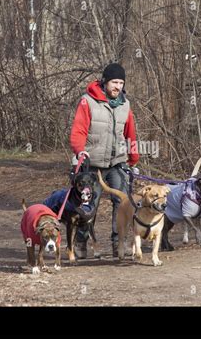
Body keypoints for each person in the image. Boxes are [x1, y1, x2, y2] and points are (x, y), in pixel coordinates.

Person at [70, 63, 139, 258]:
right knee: (89, 205)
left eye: (121, 82)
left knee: (123, 203)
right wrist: (80, 151)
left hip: (117, 162)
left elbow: (130, 134)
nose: (118, 86)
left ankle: (119, 244)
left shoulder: (125, 104)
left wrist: (133, 158)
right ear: (105, 82)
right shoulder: (87, 101)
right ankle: (81, 244)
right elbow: (79, 130)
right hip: (92, 164)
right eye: (114, 82)